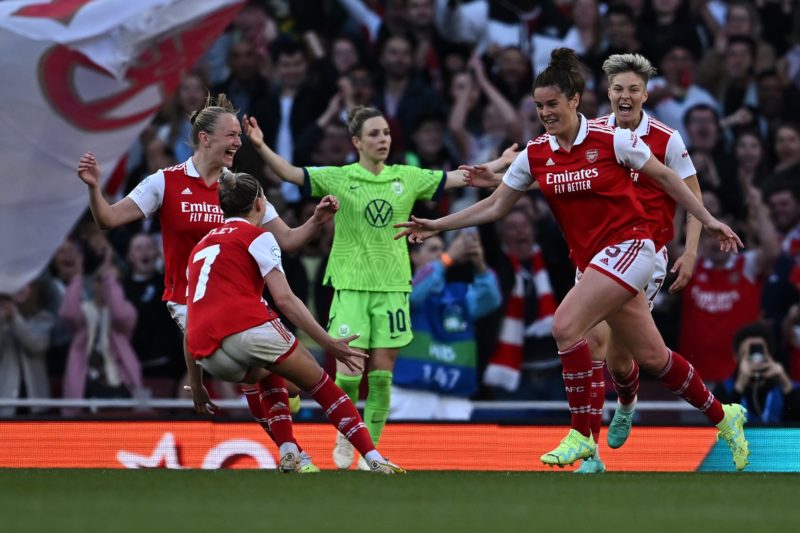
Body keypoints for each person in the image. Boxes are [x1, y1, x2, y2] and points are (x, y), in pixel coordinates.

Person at [395, 48, 751, 471]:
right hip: (592, 259)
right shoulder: (535, 154)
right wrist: (438, 224)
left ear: (575, 100)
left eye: (553, 104)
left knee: (566, 325)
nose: (545, 112)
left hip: (634, 248)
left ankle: (582, 436)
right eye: (539, 106)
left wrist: (706, 223)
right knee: (650, 357)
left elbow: (668, 178)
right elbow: (494, 206)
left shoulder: (614, 138)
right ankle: (723, 415)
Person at [76, 94, 336, 472]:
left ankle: (291, 453)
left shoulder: (243, 189)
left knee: (255, 372)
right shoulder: (164, 182)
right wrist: (93, 188)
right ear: (204, 138)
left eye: (239, 136)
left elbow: (289, 240)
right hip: (187, 302)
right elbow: (109, 220)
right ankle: (290, 417)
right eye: (231, 135)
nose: (238, 142)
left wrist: (316, 220)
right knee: (260, 369)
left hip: (242, 302)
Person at [243, 105, 472, 470]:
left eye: (386, 133)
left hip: (394, 288)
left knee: (381, 376)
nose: (383, 140)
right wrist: (260, 145)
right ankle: (345, 434)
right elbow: (289, 174)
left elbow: (459, 177)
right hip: (350, 285)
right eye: (374, 135)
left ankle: (372, 455)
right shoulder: (339, 177)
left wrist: (505, 165)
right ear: (356, 142)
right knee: (349, 374)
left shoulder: (407, 177)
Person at [185, 171, 404, 474]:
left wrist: (197, 387)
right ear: (260, 203)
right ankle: (374, 458)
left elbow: (190, 316)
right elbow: (285, 300)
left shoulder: (200, 248)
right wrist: (327, 342)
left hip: (207, 354)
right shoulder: (258, 236)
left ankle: (290, 450)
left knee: (267, 373)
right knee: (322, 385)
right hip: (246, 326)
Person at [576, 53, 704, 473]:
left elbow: (692, 198)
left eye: (633, 89)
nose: (625, 96)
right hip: (597, 251)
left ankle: (627, 402)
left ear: (645, 94)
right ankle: (589, 453)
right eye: (618, 89)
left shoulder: (667, 139)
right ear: (608, 93)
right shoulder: (590, 132)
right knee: (589, 344)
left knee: (618, 356)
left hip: (646, 256)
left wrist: (689, 252)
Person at [391, 230, 501, 420]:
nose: (441, 254)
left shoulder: (458, 296)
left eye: (443, 250)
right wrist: (448, 258)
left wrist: (480, 263)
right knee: (405, 449)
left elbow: (491, 298)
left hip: (453, 397)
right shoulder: (400, 288)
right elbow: (413, 295)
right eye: (433, 249)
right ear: (414, 256)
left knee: (457, 450)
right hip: (409, 393)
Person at [713, 322, 800, 423]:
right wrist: (739, 387)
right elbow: (722, 428)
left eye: (759, 353)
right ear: (736, 356)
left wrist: (786, 385)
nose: (755, 359)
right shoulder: (723, 390)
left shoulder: (791, 389)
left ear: (770, 354)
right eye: (748, 353)